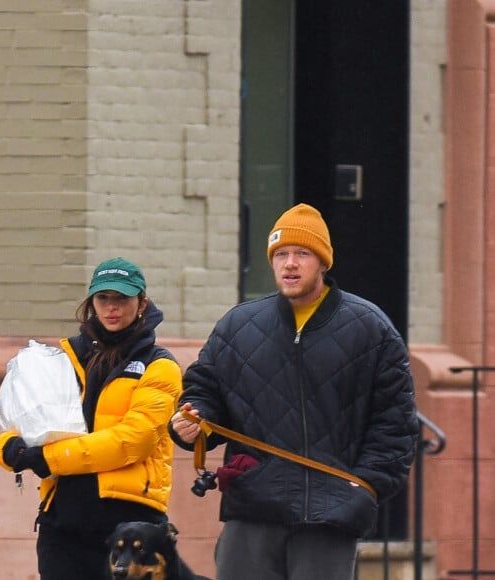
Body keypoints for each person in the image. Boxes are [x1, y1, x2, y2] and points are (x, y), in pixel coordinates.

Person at [169, 203, 419, 580]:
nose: (290, 264)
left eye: (302, 254)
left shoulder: (371, 329)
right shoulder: (238, 325)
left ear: (323, 262)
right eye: (281, 254)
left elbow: (395, 426)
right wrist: (193, 423)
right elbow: (204, 391)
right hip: (252, 508)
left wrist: (362, 488)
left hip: (330, 516)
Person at [0, 257, 183, 580]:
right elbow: (27, 420)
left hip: (132, 530)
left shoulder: (159, 365)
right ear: (92, 302)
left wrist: (48, 458)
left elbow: (131, 441)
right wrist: (9, 448)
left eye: (122, 298)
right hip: (62, 526)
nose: (112, 307)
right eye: (103, 298)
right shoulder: (65, 360)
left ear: (142, 303)